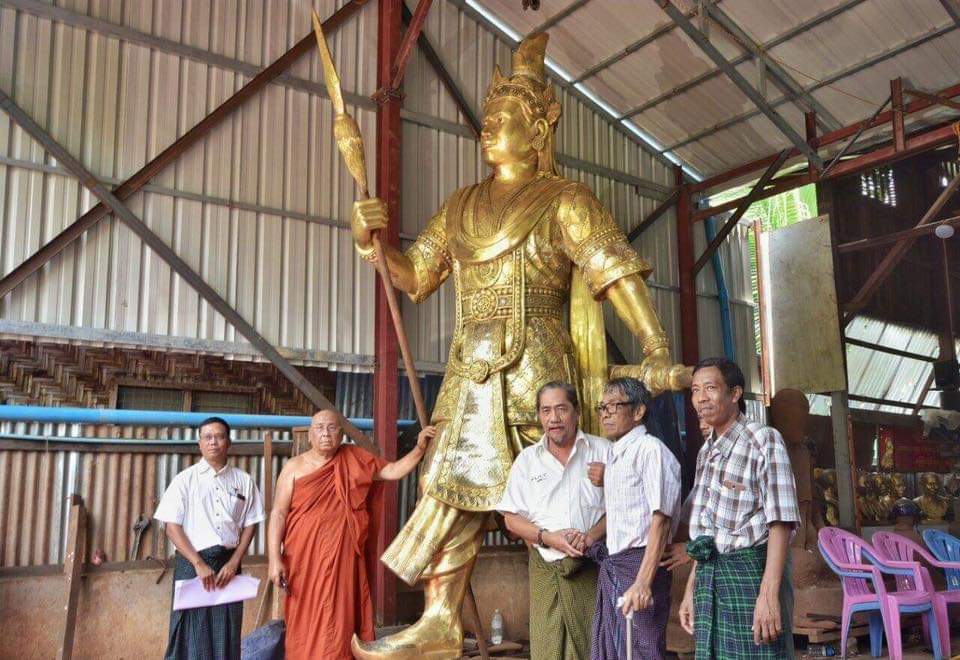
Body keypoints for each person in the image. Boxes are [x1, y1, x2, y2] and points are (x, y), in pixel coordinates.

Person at [348, 31, 690, 658]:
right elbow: (415, 277)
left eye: (503, 117)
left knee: (574, 484)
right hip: (470, 371)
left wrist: (655, 345)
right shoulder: (460, 205)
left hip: (539, 369)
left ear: (536, 131)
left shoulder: (566, 200)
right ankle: (440, 618)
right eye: (487, 117)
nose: (488, 127)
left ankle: (598, 614)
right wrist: (371, 242)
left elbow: (613, 271)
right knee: (449, 487)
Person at [268, 410, 435, 660]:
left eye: (332, 427)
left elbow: (391, 471)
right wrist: (274, 559)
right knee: (304, 616)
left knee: (340, 614)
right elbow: (278, 513)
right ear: (311, 435)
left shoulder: (353, 459)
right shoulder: (294, 467)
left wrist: (419, 449)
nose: (326, 433)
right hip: (303, 558)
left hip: (342, 557)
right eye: (320, 428)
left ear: (341, 434)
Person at [678, 358, 800, 659]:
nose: (701, 398)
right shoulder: (706, 452)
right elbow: (706, 534)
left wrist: (768, 594)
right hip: (710, 578)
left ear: (734, 394)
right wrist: (691, 589)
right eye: (695, 390)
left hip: (750, 577)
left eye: (710, 388)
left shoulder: (763, 440)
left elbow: (781, 522)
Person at [497, 381, 611, 660]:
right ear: (539, 415)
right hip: (545, 569)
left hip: (592, 567)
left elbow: (623, 507)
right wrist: (548, 537)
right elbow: (511, 519)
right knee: (547, 647)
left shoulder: (604, 451)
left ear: (577, 411)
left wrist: (590, 537)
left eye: (561, 409)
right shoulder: (527, 460)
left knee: (593, 648)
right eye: (546, 410)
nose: (554, 418)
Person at [154, 416, 265, 660]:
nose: (213, 442)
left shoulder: (243, 481)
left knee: (227, 631)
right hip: (192, 565)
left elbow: (251, 523)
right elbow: (171, 526)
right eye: (207, 437)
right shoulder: (185, 480)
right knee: (190, 634)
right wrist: (198, 563)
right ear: (200, 443)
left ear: (229, 442)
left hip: (228, 567)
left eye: (219, 437)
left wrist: (235, 561)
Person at [591, 377, 681, 660]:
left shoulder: (651, 450)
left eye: (613, 406)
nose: (605, 414)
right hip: (617, 564)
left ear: (639, 411)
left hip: (641, 566)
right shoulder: (615, 454)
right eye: (602, 407)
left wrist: (643, 581)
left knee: (642, 651)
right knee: (617, 650)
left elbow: (661, 520)